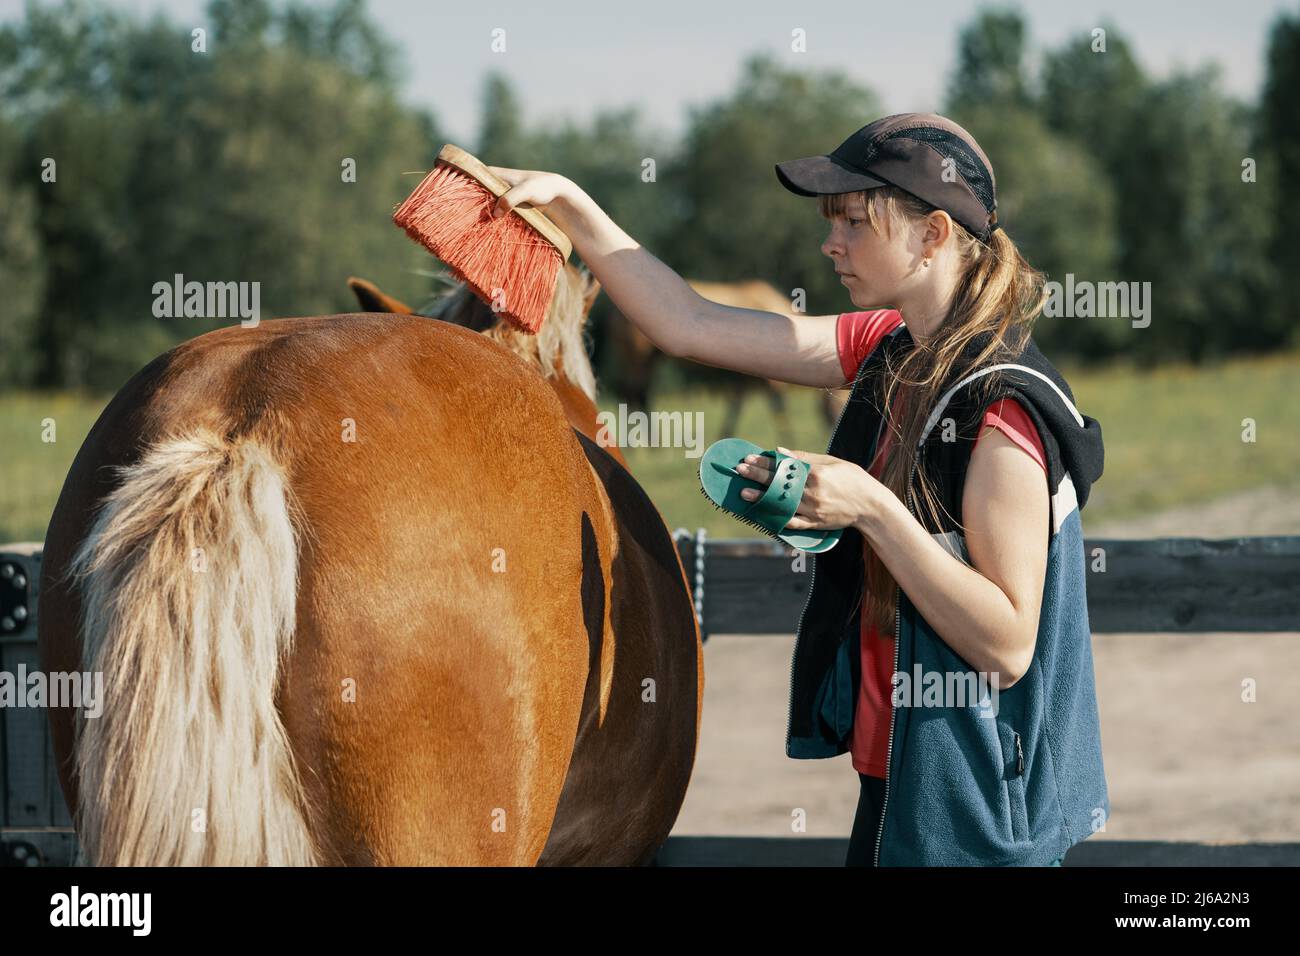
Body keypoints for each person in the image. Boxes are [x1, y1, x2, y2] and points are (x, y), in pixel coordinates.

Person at [487, 112, 1108, 867]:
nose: (830, 242)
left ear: (933, 233)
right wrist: (573, 206)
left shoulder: (1001, 407)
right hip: (907, 771)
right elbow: (687, 323)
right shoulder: (893, 344)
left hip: (975, 804)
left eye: (854, 220)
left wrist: (869, 508)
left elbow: (1007, 644)